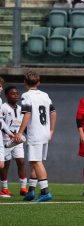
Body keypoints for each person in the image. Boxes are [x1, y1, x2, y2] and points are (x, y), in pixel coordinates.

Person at [13, 71, 56, 202]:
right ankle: (31, 191)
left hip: (35, 133)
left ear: (25, 82)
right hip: (44, 132)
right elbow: (53, 112)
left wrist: (20, 132)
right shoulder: (44, 95)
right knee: (34, 161)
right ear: (38, 82)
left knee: (37, 162)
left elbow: (27, 114)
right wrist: (52, 130)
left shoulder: (26, 95)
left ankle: (45, 191)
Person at [0, 86, 28, 197]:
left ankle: (23, 188)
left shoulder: (21, 108)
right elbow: (1, 124)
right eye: (12, 94)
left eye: (17, 93)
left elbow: (23, 124)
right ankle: (5, 188)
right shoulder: (3, 107)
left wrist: (24, 135)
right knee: (5, 164)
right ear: (6, 95)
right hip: (5, 139)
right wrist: (10, 134)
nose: (16, 95)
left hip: (18, 140)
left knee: (21, 162)